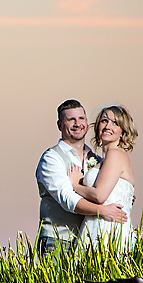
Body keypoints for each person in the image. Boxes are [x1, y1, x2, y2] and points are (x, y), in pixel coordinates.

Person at [35, 99, 127, 255]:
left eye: (81, 119)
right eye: (71, 120)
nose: (78, 124)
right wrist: (102, 211)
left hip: (89, 239)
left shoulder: (97, 160)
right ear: (60, 125)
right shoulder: (51, 159)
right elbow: (68, 200)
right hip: (58, 240)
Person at [69, 105, 137, 251]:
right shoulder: (104, 160)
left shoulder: (116, 155)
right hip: (97, 225)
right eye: (104, 121)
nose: (108, 126)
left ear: (123, 131)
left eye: (115, 123)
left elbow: (99, 196)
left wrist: (74, 184)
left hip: (107, 228)